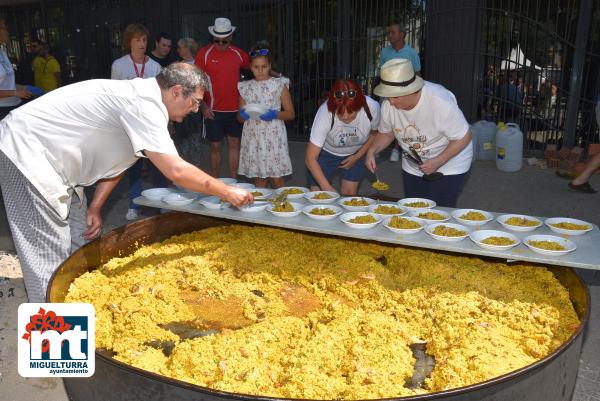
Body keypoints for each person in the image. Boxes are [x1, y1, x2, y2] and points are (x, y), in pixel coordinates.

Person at [0, 62, 254, 303]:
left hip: (58, 164)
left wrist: (96, 207)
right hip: (27, 151)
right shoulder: (143, 104)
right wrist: (226, 191)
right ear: (177, 91)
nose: (196, 109)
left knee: (81, 235)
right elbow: (175, 170)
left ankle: (78, 300)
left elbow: (122, 159)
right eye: (195, 102)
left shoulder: (147, 102)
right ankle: (53, 337)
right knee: (48, 252)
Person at [366, 59, 472, 207]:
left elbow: (464, 137)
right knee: (413, 209)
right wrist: (372, 150)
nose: (391, 101)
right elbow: (387, 133)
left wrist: (437, 162)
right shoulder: (388, 105)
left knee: (439, 211)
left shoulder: (440, 102)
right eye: (388, 95)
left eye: (395, 96)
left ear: (413, 90)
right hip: (414, 162)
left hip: (450, 160)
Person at [111, 23, 164, 221]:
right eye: (137, 40)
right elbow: (114, 97)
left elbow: (160, 95)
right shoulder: (119, 65)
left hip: (151, 122)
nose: (141, 44)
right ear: (128, 42)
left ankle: (161, 202)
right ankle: (134, 203)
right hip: (129, 123)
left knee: (158, 164)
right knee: (133, 165)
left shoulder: (155, 66)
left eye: (144, 40)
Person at [195, 17, 250, 178]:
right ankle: (215, 184)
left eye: (224, 42)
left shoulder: (239, 54)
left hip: (235, 110)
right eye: (216, 41)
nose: (220, 45)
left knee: (234, 145)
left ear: (231, 37)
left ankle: (234, 182)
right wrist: (203, 106)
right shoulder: (204, 54)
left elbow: (256, 68)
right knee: (215, 147)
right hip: (212, 110)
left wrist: (278, 78)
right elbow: (195, 81)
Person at [305, 80, 380, 195]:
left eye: (351, 113)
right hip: (325, 154)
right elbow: (310, 158)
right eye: (340, 114)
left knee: (349, 196)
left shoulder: (372, 107)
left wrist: (357, 157)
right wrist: (327, 188)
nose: (346, 118)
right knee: (318, 195)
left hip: (356, 152)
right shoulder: (325, 112)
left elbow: (374, 134)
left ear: (359, 106)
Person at [237, 45, 294, 188]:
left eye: (264, 66)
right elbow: (239, 118)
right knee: (259, 179)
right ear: (250, 67)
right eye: (256, 67)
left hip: (273, 136)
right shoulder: (245, 87)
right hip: (253, 136)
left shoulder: (279, 84)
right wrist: (243, 115)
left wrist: (275, 114)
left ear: (270, 66)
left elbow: (290, 113)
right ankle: (260, 207)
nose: (260, 71)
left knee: (276, 178)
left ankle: (282, 208)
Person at [378, 20, 421, 163]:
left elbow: (417, 74)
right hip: (387, 91)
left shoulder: (411, 52)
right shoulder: (385, 52)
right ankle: (377, 147)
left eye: (393, 32)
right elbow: (382, 72)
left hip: (405, 94)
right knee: (382, 118)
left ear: (401, 34)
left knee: (402, 120)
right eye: (389, 32)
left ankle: (397, 149)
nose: (390, 35)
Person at [0, 16, 33, 119]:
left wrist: (23, 88)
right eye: (4, 26)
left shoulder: (2, 52)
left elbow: (5, 83)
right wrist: (15, 93)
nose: (7, 30)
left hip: (15, 105)